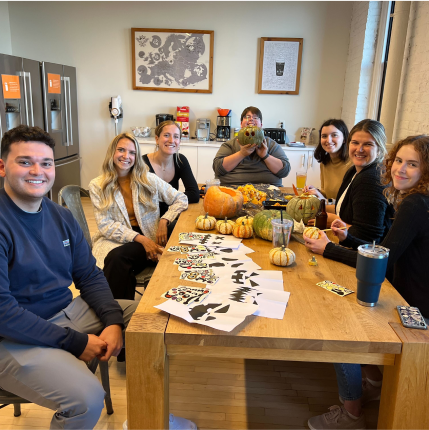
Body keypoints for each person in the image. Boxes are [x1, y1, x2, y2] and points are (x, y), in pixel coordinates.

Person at [0, 125, 137, 430]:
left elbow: (88, 274)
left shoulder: (60, 216)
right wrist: (74, 343)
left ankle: (149, 414)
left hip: (67, 313)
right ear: (2, 166)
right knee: (86, 400)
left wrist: (113, 320)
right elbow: (3, 313)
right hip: (12, 336)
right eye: (25, 162)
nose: (38, 171)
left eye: (46, 163)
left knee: (148, 320)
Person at [306, 135, 429, 430]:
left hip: (415, 311)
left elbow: (381, 261)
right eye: (399, 160)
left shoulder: (415, 204)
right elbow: (386, 249)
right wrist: (349, 239)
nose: (401, 169)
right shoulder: (417, 200)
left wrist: (329, 249)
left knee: (340, 326)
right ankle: (373, 381)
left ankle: (351, 415)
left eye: (412, 164)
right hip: (406, 296)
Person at [89, 132, 188, 300]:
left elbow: (181, 198)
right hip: (115, 240)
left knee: (118, 260)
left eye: (132, 152)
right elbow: (105, 225)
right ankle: (120, 311)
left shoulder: (148, 179)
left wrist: (165, 220)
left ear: (136, 156)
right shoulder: (97, 185)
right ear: (112, 153)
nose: (126, 156)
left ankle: (115, 313)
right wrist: (141, 239)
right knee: (116, 259)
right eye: (121, 150)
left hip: (148, 237)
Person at [311, 119, 393, 243]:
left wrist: (334, 221)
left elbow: (368, 238)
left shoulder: (370, 179)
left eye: (368, 144)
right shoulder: (353, 172)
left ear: (379, 149)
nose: (359, 149)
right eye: (355, 143)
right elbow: (343, 209)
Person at [212, 106, 291, 186]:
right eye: (247, 117)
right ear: (241, 124)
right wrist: (241, 154)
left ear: (261, 125)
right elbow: (217, 168)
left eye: (256, 118)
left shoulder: (271, 144)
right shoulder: (230, 144)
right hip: (233, 191)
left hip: (269, 193)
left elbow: (284, 171)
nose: (251, 119)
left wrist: (265, 156)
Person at [143, 120, 199, 220]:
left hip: (171, 215)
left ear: (179, 142)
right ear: (157, 139)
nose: (171, 140)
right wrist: (175, 198)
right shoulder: (142, 163)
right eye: (166, 135)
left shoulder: (180, 160)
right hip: (147, 219)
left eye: (176, 136)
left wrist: (166, 205)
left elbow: (194, 194)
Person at [303, 119, 351, 200]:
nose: (328, 140)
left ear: (344, 139)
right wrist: (316, 191)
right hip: (329, 210)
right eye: (324, 136)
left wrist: (324, 200)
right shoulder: (324, 162)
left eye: (334, 135)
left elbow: (347, 204)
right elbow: (327, 194)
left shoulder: (351, 165)